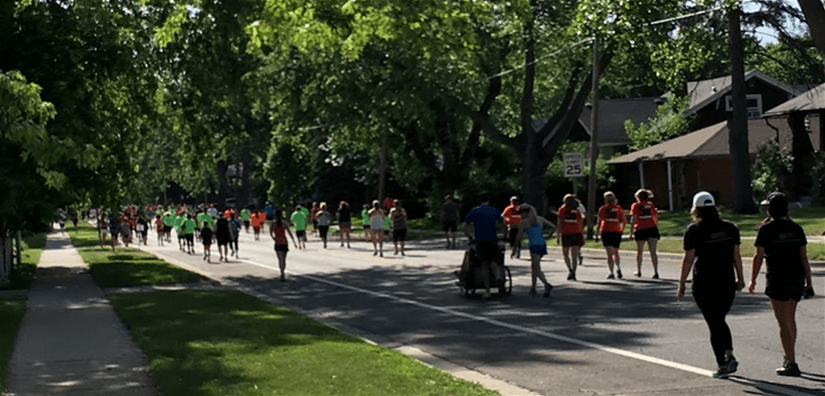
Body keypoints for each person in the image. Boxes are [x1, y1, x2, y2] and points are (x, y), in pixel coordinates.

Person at [677, 191, 744, 379]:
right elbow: (736, 256)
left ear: (696, 210)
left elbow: (688, 259)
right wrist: (740, 278)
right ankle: (729, 354)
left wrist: (681, 283)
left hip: (704, 283)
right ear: (714, 207)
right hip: (726, 281)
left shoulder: (694, 230)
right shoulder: (730, 228)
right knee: (719, 319)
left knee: (714, 323)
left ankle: (722, 365)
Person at [747, 192, 815, 377]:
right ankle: (789, 356)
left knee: (782, 322)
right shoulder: (796, 228)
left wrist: (752, 280)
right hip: (796, 279)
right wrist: (809, 282)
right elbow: (803, 257)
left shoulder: (766, 229)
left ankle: (791, 362)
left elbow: (758, 256)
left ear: (770, 208)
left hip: (778, 279)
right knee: (790, 320)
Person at [463, 193, 505, 299]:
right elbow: (504, 222)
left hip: (480, 240)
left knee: (484, 264)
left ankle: (487, 290)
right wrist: (504, 235)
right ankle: (498, 277)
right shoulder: (493, 210)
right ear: (488, 201)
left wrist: (469, 236)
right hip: (492, 239)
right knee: (494, 261)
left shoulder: (475, 210)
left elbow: (464, 225)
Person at [514, 203, 554, 297]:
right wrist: (549, 235)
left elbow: (518, 237)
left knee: (537, 268)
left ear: (525, 213)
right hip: (542, 245)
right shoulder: (539, 219)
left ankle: (546, 284)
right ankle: (533, 287)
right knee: (534, 266)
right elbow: (553, 226)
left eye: (521, 213)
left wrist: (515, 247)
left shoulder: (524, 223)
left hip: (534, 246)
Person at [630, 189, 660, 279]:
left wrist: (631, 231)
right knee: (653, 252)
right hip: (652, 228)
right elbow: (655, 216)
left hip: (640, 229)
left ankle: (639, 271)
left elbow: (634, 218)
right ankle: (656, 271)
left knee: (640, 251)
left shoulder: (635, 205)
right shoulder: (650, 205)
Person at [597, 191, 627, 279]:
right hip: (616, 231)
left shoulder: (602, 209)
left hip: (606, 230)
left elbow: (599, 221)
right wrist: (622, 229)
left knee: (609, 254)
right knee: (616, 252)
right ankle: (618, 268)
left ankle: (611, 272)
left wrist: (597, 233)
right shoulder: (618, 208)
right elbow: (624, 221)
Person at [556, 194, 585, 281]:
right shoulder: (577, 210)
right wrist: (583, 235)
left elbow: (559, 224)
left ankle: (570, 269)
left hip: (566, 234)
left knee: (565, 254)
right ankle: (574, 272)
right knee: (574, 255)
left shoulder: (562, 209)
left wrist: (558, 236)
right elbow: (580, 223)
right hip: (576, 233)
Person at [270, 210, 298, 281]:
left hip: (278, 242)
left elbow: (271, 233)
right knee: (284, 259)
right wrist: (294, 241)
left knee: (280, 259)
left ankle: (281, 272)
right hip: (284, 242)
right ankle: (283, 272)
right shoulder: (284, 223)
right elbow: (289, 233)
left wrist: (274, 238)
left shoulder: (273, 224)